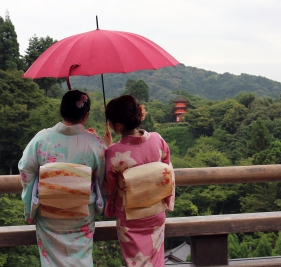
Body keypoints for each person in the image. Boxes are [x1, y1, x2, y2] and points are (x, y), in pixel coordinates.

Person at [18, 90, 105, 266]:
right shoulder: (94, 142)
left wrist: (30, 207)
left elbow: (25, 171)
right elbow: (103, 177)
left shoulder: (41, 139)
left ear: (61, 111)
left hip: (49, 214)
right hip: (81, 214)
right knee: (82, 259)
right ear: (85, 115)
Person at [103, 95, 175, 266]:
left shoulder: (114, 152)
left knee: (136, 262)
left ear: (118, 126)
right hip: (156, 211)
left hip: (130, 216)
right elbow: (167, 170)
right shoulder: (157, 140)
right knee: (156, 259)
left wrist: (107, 148)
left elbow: (108, 187)